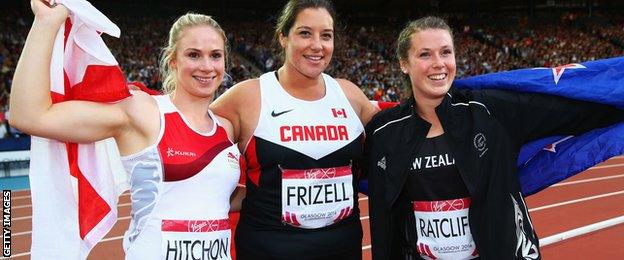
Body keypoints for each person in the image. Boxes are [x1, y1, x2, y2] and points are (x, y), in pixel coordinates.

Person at [364, 16, 624, 260]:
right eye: (424, 54)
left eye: (446, 52)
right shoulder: (385, 132)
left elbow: (570, 109)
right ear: (403, 63)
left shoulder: (490, 111)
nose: (438, 63)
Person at [10, 1, 242, 259]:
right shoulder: (144, 112)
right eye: (193, 54)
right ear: (172, 60)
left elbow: (215, 196)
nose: (207, 66)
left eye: (216, 55)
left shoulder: (226, 128)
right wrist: (46, 22)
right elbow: (30, 115)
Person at [211, 0, 378, 258]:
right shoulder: (248, 96)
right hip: (268, 249)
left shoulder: (351, 95)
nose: (317, 45)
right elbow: (192, 134)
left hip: (343, 248)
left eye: (326, 36)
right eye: (304, 33)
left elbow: (397, 141)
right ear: (283, 37)